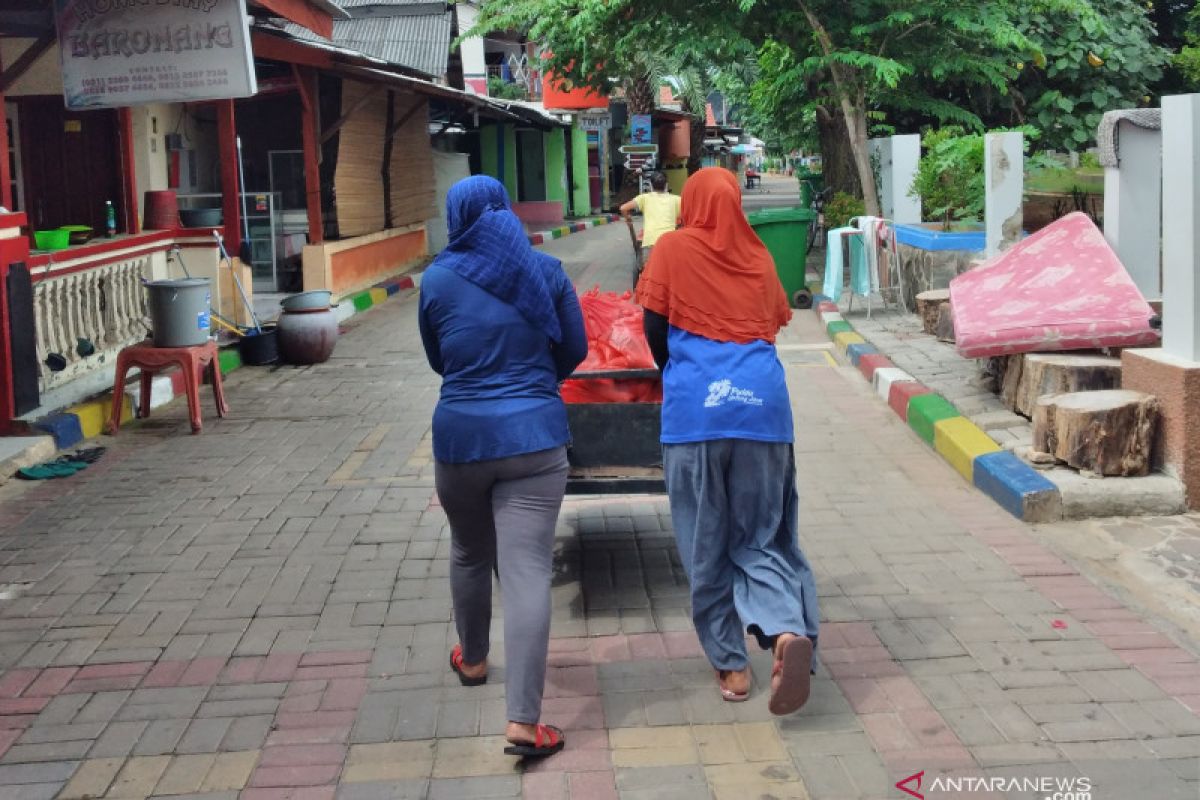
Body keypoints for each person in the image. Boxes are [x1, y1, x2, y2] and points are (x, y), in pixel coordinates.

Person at [634, 167, 819, 714]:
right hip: (764, 415)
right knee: (761, 538)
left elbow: (653, 330)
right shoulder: (760, 256)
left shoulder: (670, 250)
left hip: (697, 416)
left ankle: (733, 667)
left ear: (690, 203)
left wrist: (682, 374)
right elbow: (769, 324)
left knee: (705, 542)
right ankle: (786, 630)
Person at [418, 175, 588, 758]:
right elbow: (575, 348)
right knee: (525, 571)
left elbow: (439, 358)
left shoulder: (437, 278)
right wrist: (536, 386)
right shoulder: (545, 272)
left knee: (469, 550)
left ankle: (471, 659)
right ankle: (523, 721)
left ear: (457, 216)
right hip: (536, 441)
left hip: (461, 440)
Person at [620, 171, 682, 265]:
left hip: (650, 242)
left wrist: (628, 219)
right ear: (666, 185)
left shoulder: (644, 198)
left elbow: (623, 208)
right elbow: (684, 217)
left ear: (651, 186)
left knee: (649, 273)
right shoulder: (677, 200)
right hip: (669, 243)